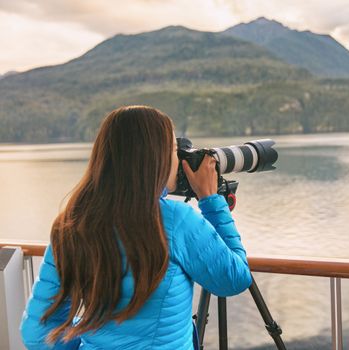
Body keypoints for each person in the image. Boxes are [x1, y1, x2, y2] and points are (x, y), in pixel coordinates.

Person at [19, 105, 252, 349]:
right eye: (174, 150)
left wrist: (93, 337)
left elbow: (37, 332)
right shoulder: (176, 220)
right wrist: (211, 201)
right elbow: (234, 279)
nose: (179, 158)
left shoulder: (72, 224)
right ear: (156, 158)